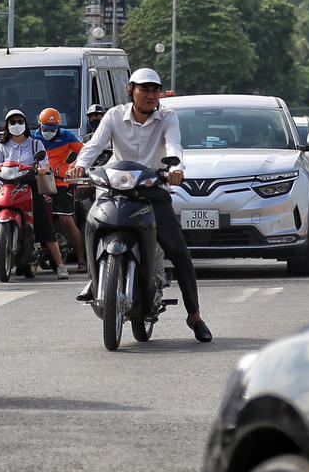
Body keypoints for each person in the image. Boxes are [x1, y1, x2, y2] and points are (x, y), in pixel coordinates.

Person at [69, 68, 212, 343]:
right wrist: (80, 166)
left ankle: (195, 316)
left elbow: (174, 147)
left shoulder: (167, 117)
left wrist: (176, 169)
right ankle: (94, 278)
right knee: (92, 221)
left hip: (151, 190)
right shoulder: (113, 116)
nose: (150, 95)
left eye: (154, 90)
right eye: (144, 89)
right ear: (131, 91)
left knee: (179, 252)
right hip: (115, 188)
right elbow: (94, 145)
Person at [0, 109, 69, 279]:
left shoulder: (35, 144)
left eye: (19, 121)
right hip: (6, 188)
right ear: (6, 126)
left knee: (45, 226)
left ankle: (61, 265)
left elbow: (45, 164)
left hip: (30, 188)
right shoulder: (2, 146)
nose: (16, 125)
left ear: (25, 124)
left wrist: (42, 169)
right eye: (12, 122)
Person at [32, 107, 88, 272]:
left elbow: (84, 153)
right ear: (39, 125)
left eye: (52, 129)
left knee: (67, 221)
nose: (49, 132)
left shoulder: (67, 136)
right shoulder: (33, 138)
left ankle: (82, 260)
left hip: (61, 184)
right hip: (38, 182)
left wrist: (74, 167)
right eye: (45, 128)